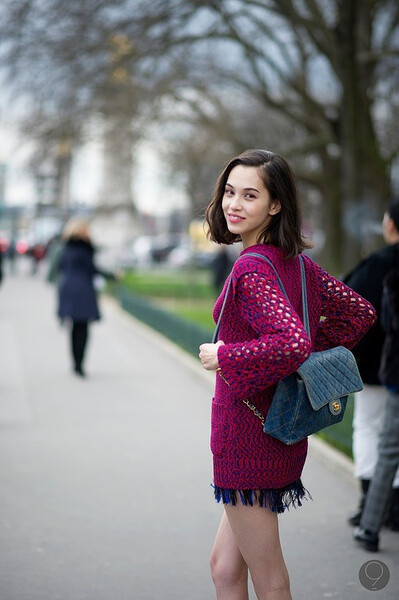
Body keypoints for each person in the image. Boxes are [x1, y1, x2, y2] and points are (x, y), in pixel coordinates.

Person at [198, 149, 376, 600]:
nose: (233, 205)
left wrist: (228, 356)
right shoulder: (294, 262)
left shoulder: (254, 266)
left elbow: (290, 341)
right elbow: (359, 313)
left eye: (250, 195)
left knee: (270, 578)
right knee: (224, 567)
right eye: (229, 193)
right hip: (276, 427)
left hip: (248, 434)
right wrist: (306, 356)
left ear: (275, 205)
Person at [344, 197, 399, 529]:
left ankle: (371, 503)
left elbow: (352, 315)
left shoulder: (376, 265)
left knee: (369, 428)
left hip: (378, 368)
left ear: (389, 224)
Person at [354, 265, 399, 551]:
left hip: (396, 377)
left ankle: (370, 528)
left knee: (388, 450)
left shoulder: (390, 277)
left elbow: (388, 323)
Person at [57, 218, 118, 377]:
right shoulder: (84, 248)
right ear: (80, 231)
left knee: (75, 327)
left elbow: (61, 266)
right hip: (82, 289)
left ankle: (75, 363)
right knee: (83, 328)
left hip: (68, 288)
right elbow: (93, 269)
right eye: (87, 229)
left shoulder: (66, 247)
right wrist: (113, 275)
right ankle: (80, 364)